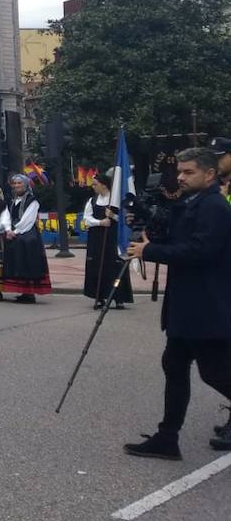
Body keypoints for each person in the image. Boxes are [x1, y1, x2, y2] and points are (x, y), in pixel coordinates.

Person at [123, 147, 231, 459]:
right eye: (179, 172)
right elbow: (178, 241)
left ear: (209, 174)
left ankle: (167, 437)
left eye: (188, 172)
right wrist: (152, 234)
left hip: (206, 307)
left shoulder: (214, 207)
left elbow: (200, 252)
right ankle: (167, 438)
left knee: (215, 372)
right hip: (188, 306)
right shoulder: (191, 203)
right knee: (174, 364)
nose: (180, 177)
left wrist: (150, 252)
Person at [83, 172, 133, 310]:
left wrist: (113, 216)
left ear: (104, 185)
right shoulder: (92, 201)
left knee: (115, 265)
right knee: (97, 266)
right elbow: (87, 219)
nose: (93, 187)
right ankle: (99, 297)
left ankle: (119, 297)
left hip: (113, 238)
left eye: (95, 184)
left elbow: (126, 219)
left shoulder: (116, 200)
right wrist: (100, 222)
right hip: (96, 238)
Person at [1, 174, 50, 303]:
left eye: (19, 183)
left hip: (27, 235)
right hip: (13, 233)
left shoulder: (32, 200)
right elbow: (6, 214)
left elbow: (28, 219)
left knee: (28, 263)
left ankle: (30, 293)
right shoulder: (11, 200)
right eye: (15, 183)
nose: (17, 186)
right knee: (18, 263)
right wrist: (7, 229)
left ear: (26, 185)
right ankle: (23, 292)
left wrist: (15, 231)